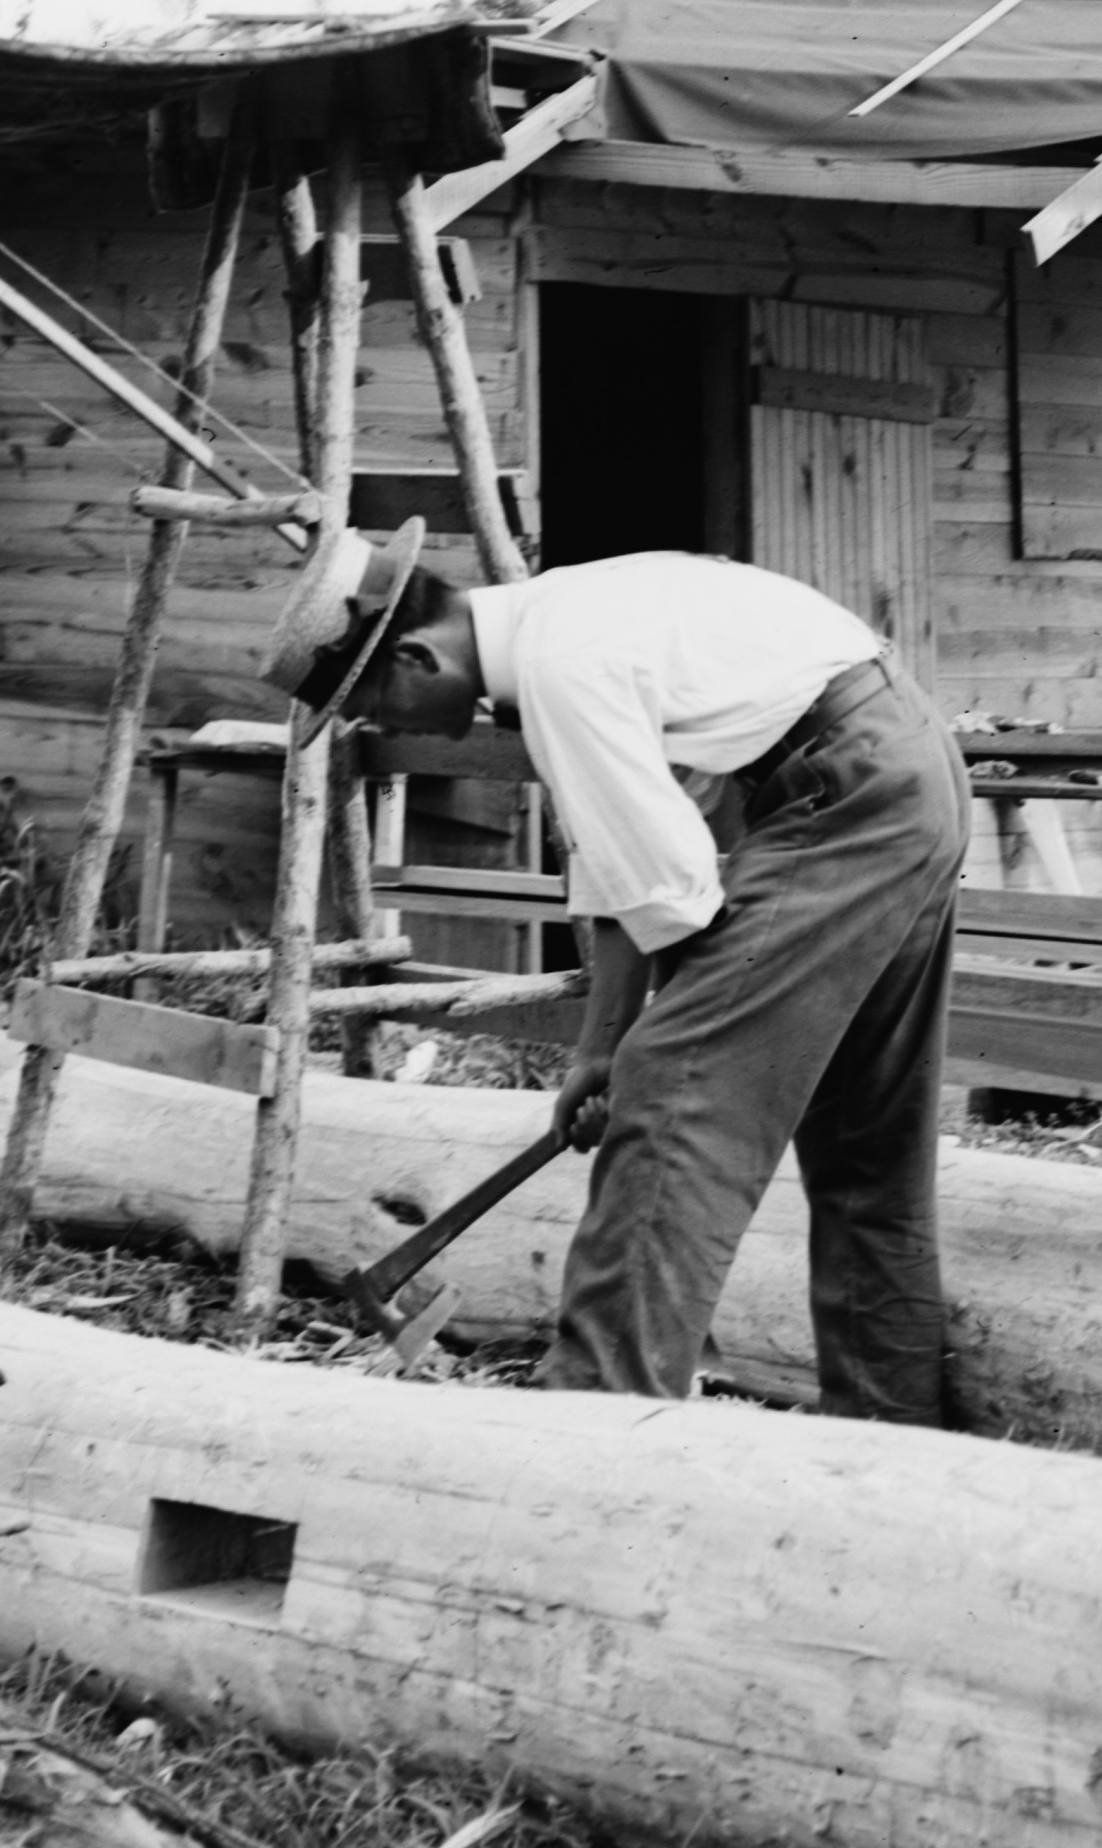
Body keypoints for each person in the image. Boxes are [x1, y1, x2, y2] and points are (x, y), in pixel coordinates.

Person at [277, 527, 966, 1422]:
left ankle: (595, 1423)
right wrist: (599, 1049)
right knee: (866, 1143)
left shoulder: (561, 664)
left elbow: (673, 887)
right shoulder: (559, 620)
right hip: (904, 765)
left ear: (413, 655)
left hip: (846, 792)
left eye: (374, 707)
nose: (386, 729)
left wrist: (653, 1054)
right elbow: (624, 855)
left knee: (675, 1096)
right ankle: (890, 1437)